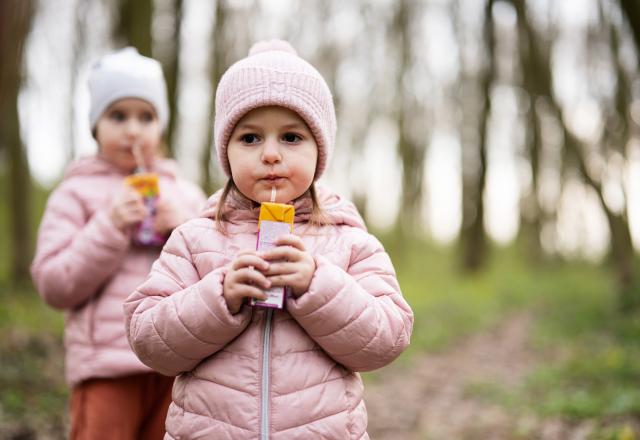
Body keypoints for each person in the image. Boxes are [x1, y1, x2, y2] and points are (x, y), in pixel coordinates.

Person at [123, 39, 414, 439]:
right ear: (226, 151)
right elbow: (147, 338)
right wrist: (219, 295)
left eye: (291, 138)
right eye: (250, 138)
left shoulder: (349, 241)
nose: (271, 154)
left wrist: (318, 284)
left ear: (319, 151)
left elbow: (388, 338)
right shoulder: (195, 237)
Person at [31, 47, 206, 440]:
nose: (132, 129)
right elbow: (54, 285)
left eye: (146, 116)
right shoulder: (74, 194)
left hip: (176, 365)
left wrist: (183, 226)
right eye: (117, 115)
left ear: (161, 124)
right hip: (106, 368)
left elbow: (214, 271)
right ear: (95, 126)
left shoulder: (185, 194)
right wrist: (109, 226)